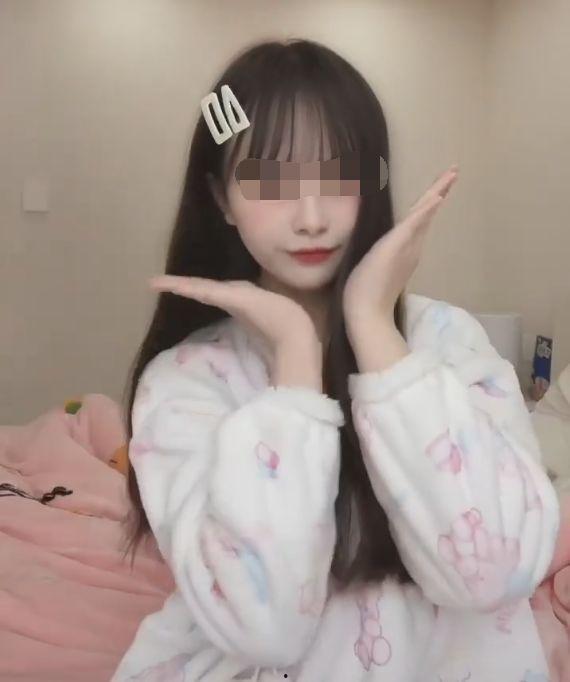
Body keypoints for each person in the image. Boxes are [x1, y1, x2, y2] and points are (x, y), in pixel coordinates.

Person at [112, 38, 560, 682]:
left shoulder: (445, 339)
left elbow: (493, 574)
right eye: (269, 180)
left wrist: (374, 329)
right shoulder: (186, 379)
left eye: (339, 176)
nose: (312, 217)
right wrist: (296, 369)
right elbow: (265, 629)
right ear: (220, 198)